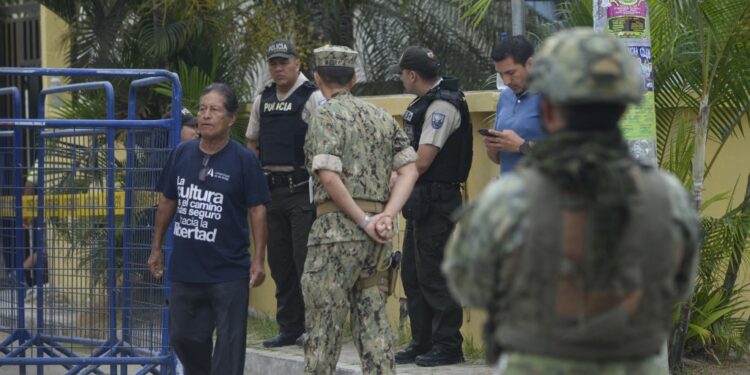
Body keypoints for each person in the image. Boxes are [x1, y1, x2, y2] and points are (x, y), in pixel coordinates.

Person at [443, 28, 701, 374]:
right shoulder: (667, 196)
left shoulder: (508, 200)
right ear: (624, 109)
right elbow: (679, 287)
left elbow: (469, 286)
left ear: (548, 109)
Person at [302, 45, 418, 375]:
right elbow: (410, 169)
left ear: (316, 78)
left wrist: (364, 219)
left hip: (335, 235)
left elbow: (327, 174)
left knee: (324, 328)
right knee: (375, 325)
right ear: (354, 79)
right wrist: (385, 216)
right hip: (376, 240)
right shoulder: (380, 117)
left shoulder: (324, 115)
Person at [148, 83, 270, 375]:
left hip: (228, 270)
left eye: (214, 110)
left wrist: (258, 259)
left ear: (230, 118)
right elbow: (167, 201)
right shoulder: (181, 154)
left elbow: (258, 210)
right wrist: (156, 247)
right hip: (186, 269)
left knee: (229, 346)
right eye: (202, 109)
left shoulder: (244, 161)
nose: (205, 115)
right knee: (183, 337)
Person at [393, 46, 472, 367]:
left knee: (435, 274)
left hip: (437, 199)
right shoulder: (428, 102)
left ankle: (448, 345)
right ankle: (422, 340)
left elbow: (423, 160)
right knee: (414, 273)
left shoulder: (442, 105)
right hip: (421, 200)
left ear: (412, 75)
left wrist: (395, 174)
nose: (401, 80)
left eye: (401, 75)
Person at [245, 39, 326, 348]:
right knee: (280, 262)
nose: (278, 68)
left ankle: (315, 326)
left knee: (304, 259)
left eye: (284, 62)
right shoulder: (262, 99)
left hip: (303, 189)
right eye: (273, 63)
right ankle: (289, 326)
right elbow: (252, 144)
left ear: (297, 64)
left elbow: (325, 140)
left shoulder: (313, 97)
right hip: (271, 190)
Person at [483, 35, 544, 175]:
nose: (506, 81)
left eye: (511, 73)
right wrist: (492, 148)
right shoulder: (505, 97)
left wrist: (522, 146)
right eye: (500, 74)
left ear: (530, 64)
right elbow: (500, 159)